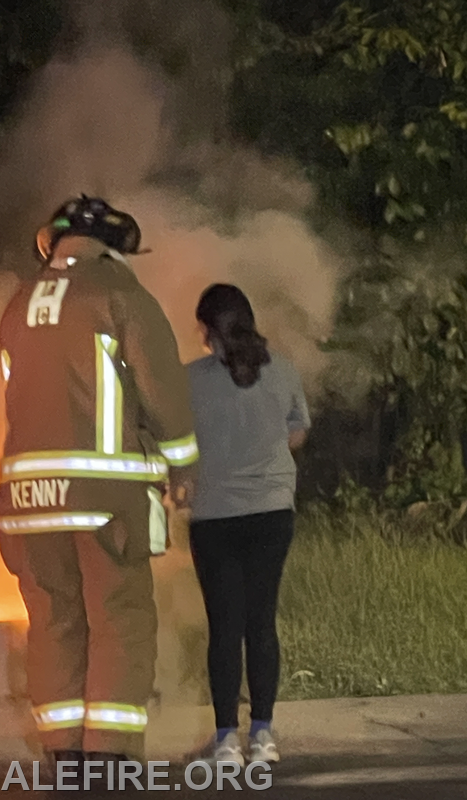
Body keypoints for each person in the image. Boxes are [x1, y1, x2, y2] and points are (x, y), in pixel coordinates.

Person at [0, 196, 198, 778]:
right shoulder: (122, 297)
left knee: (53, 622)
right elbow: (163, 394)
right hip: (105, 500)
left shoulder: (15, 306)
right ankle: (107, 756)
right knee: (119, 618)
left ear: (52, 243)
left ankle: (63, 754)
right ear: (111, 245)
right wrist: (182, 467)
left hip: (25, 503)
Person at [186, 283, 310, 766]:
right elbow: (297, 431)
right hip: (273, 514)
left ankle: (224, 741)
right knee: (262, 622)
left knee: (224, 627)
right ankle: (262, 736)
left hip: (214, 517)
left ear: (211, 332)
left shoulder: (190, 379)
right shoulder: (283, 370)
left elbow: (173, 436)